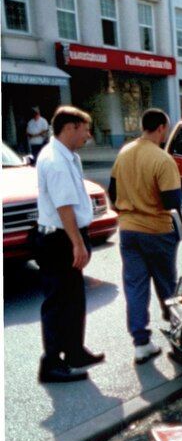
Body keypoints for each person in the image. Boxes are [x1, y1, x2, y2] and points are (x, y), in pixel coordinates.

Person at [35, 106, 105, 383]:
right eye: (85, 129)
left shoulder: (67, 156)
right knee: (57, 302)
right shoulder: (55, 159)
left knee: (74, 298)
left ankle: (74, 351)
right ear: (70, 127)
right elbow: (64, 206)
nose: (88, 135)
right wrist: (77, 243)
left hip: (67, 235)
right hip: (59, 238)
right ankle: (51, 363)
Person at [109, 109, 182, 364]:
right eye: (167, 129)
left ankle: (141, 343)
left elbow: (112, 193)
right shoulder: (162, 160)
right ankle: (178, 335)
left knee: (135, 287)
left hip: (128, 230)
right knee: (167, 285)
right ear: (161, 128)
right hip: (157, 230)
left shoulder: (124, 152)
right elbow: (172, 201)